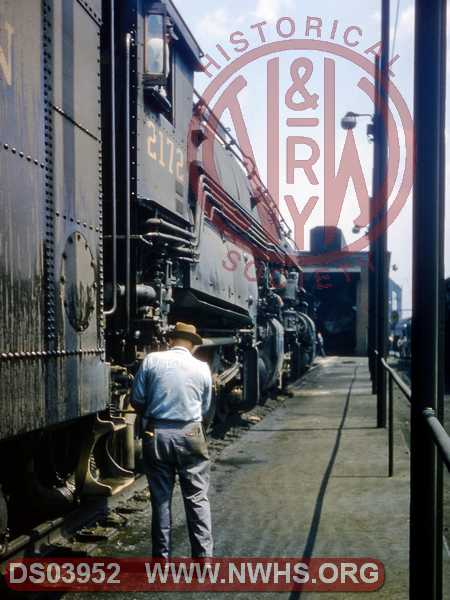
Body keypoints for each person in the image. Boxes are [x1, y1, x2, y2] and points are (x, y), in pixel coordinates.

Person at [131, 322, 213, 559]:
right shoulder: (202, 367)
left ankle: (161, 563)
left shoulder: (152, 360)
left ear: (171, 340)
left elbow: (137, 399)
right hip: (191, 433)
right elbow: (205, 408)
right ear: (192, 345)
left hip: (157, 434)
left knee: (161, 500)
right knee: (197, 498)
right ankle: (203, 562)